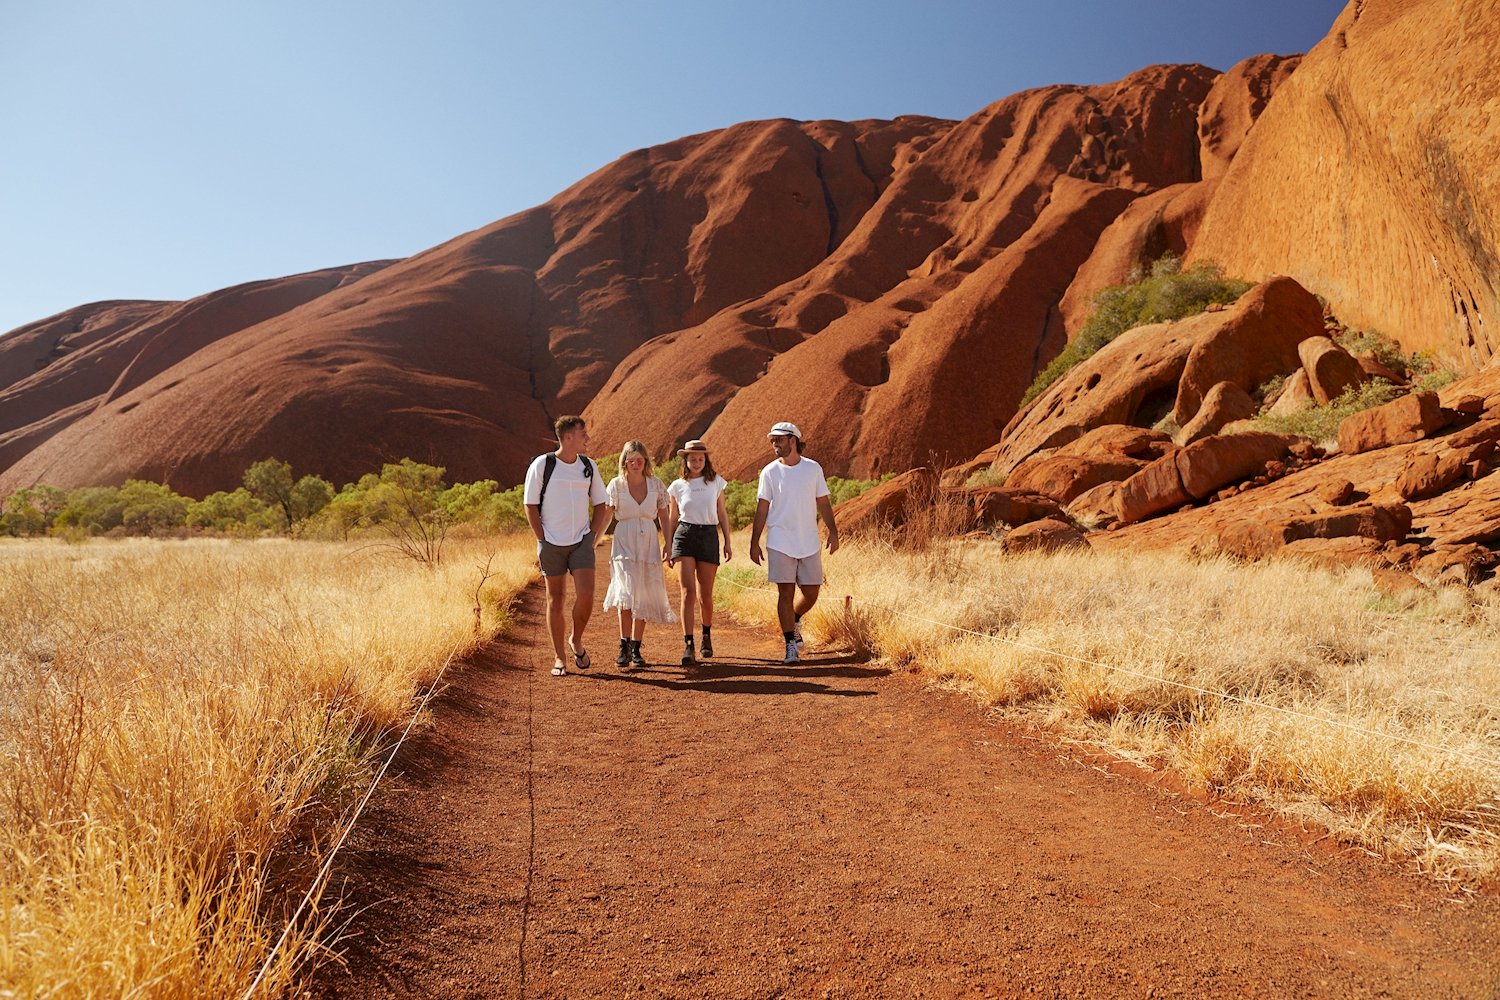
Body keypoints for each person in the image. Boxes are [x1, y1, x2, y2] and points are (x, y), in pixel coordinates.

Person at [523, 415, 611, 677]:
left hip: (581, 541)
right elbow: (530, 505)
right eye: (583, 433)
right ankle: (560, 658)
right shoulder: (543, 464)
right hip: (551, 543)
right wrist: (542, 538)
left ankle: (576, 640)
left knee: (586, 596)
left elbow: (601, 504)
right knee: (555, 599)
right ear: (569, 437)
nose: (588, 438)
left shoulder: (588, 466)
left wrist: (592, 536)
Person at [748, 421, 840, 664]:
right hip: (779, 540)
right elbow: (762, 508)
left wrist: (833, 531)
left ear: (793, 440)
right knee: (785, 592)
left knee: (811, 593)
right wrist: (754, 542)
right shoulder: (769, 472)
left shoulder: (813, 469)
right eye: (772, 440)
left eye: (778, 439)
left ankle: (795, 618)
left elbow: (823, 501)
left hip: (808, 539)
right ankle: (790, 644)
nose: (774, 444)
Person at [603, 440, 676, 669]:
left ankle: (636, 648)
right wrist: (593, 540)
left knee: (643, 592)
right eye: (630, 459)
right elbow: (606, 516)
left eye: (639, 459)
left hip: (649, 543)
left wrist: (669, 543)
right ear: (624, 461)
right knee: (626, 592)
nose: (635, 463)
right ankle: (623, 646)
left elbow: (664, 516)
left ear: (645, 461)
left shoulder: (656, 485)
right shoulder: (616, 485)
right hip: (624, 541)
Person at [666, 439, 733, 665]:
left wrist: (727, 541)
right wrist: (667, 545)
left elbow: (721, 513)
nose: (697, 462)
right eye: (693, 459)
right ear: (686, 460)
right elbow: (672, 517)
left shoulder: (715, 482)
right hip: (684, 535)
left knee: (705, 595)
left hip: (708, 536)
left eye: (701, 459)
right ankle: (688, 644)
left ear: (706, 460)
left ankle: (706, 636)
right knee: (688, 592)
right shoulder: (677, 485)